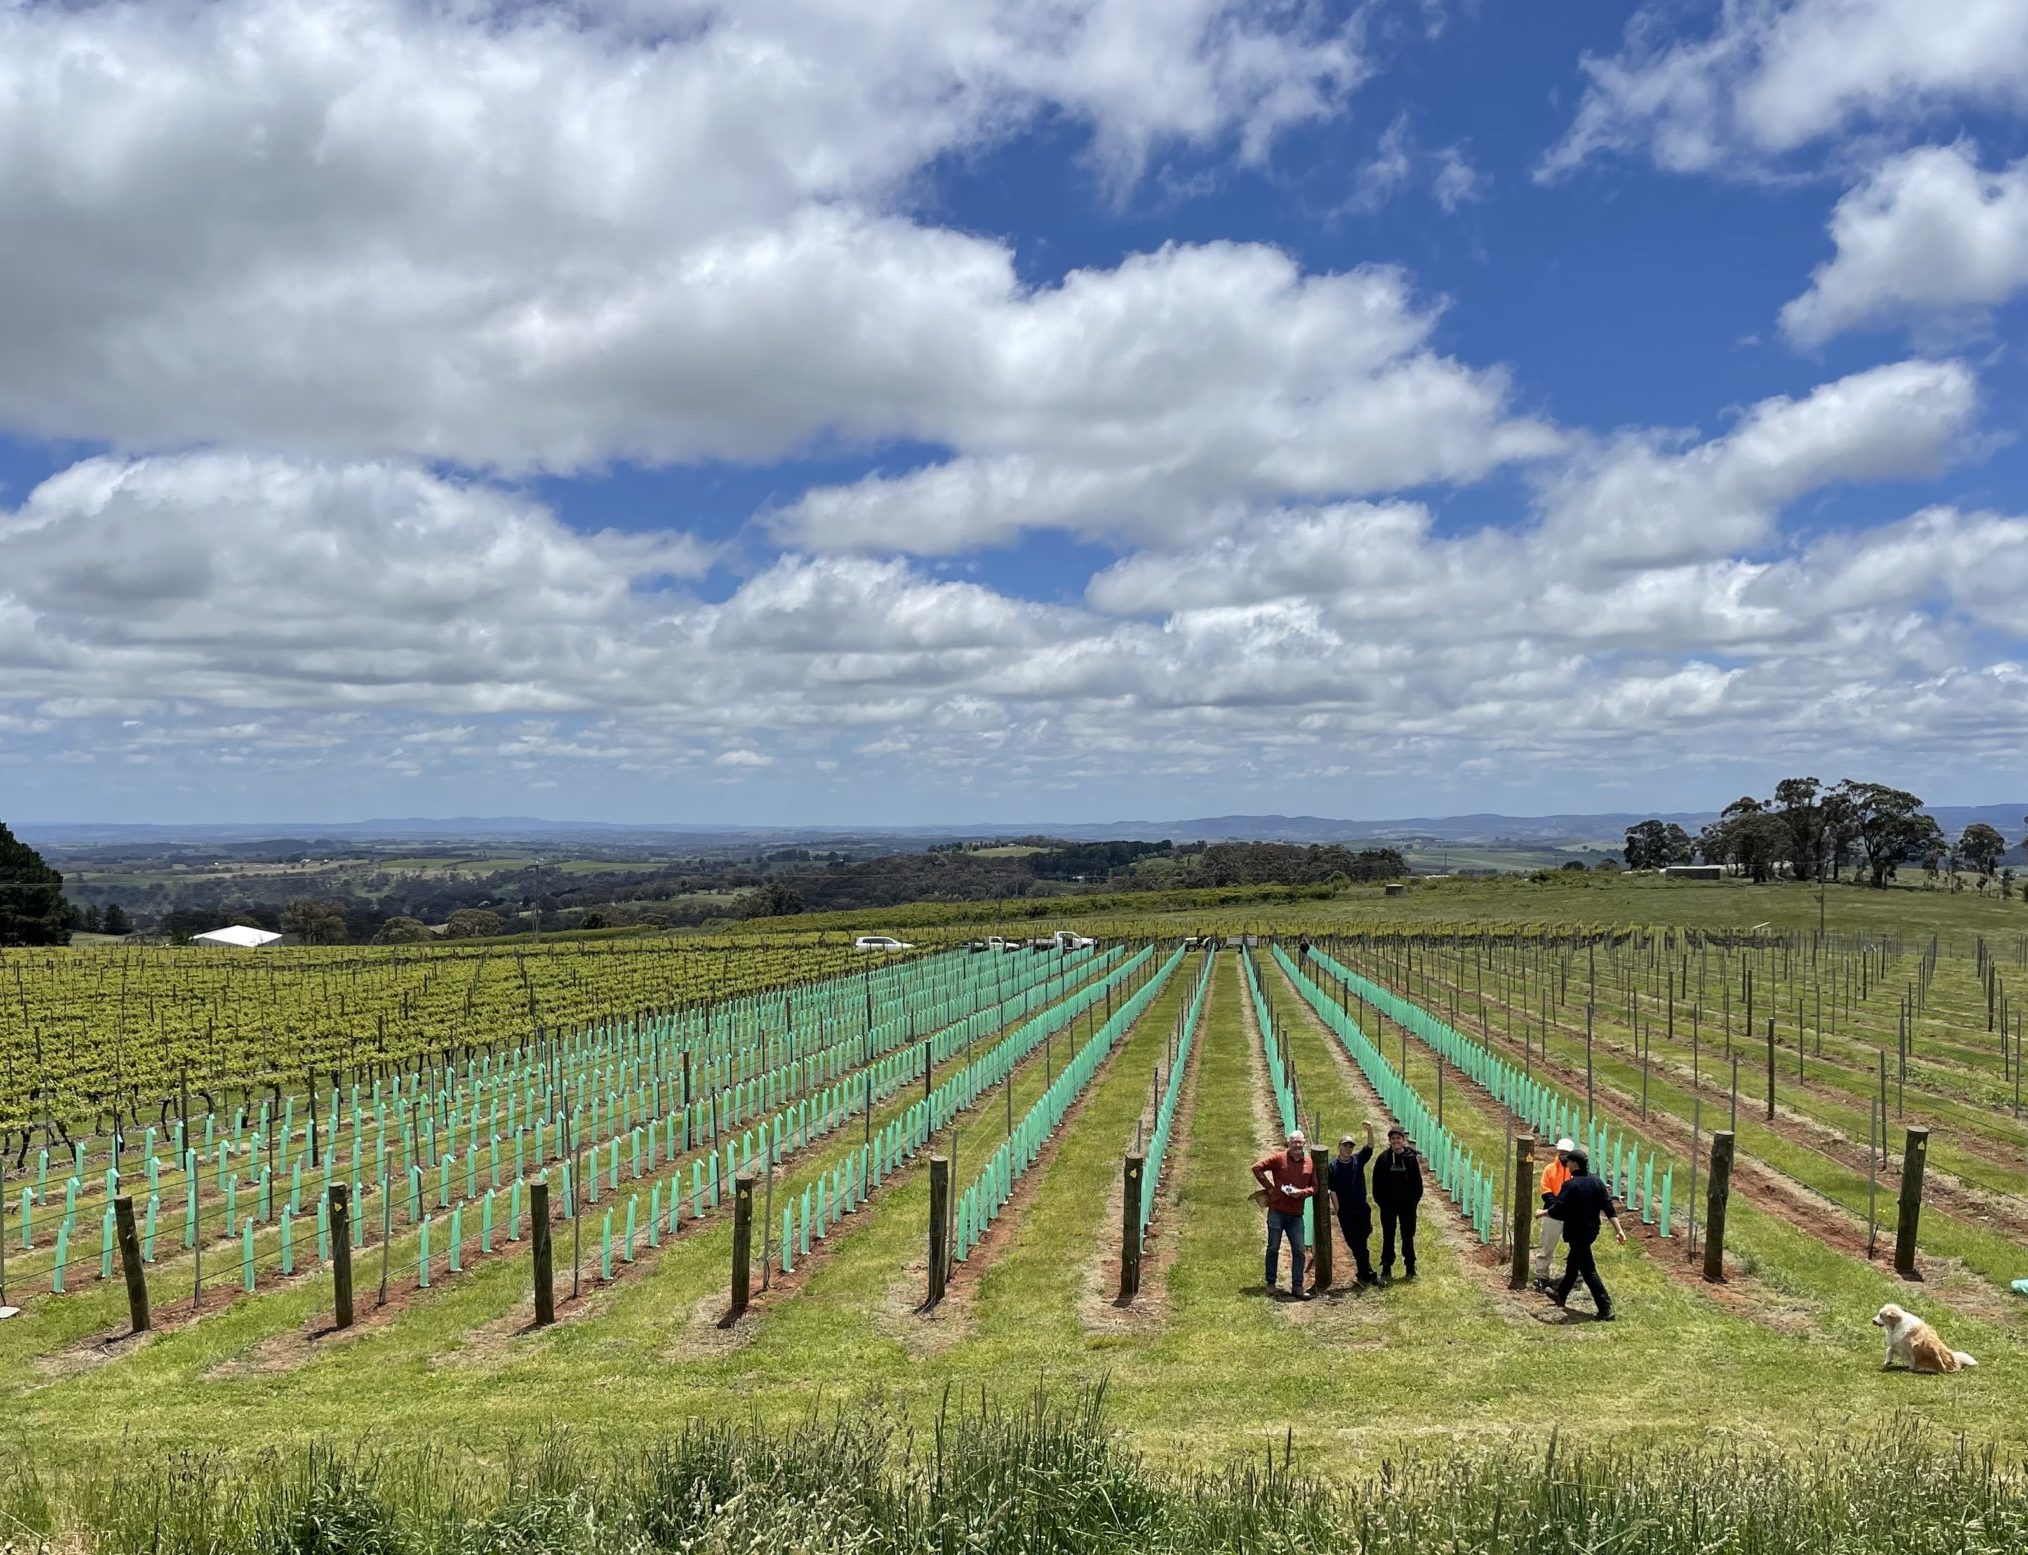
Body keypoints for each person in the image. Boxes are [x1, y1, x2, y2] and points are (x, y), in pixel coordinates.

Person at [1542, 1149, 1626, 1320]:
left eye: (1568, 1161)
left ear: (1574, 1164)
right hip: (1591, 1231)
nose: (1567, 1164)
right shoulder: (1597, 1181)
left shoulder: (1570, 1185)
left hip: (1576, 1233)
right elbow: (1608, 1208)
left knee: (1588, 1271)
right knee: (1574, 1265)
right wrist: (1619, 1230)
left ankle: (1606, 1308)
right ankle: (1561, 1294)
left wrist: (1543, 1212)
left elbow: (1558, 1210)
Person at [1251, 1129, 1316, 1299]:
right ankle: (1271, 1283)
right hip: (1277, 1211)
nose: (1297, 1145)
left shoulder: (1309, 1162)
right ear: (1288, 1143)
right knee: (1273, 1247)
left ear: (1304, 1144)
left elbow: (1314, 1187)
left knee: (1299, 1250)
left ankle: (1297, 1286)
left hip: (1296, 1214)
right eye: (1294, 1141)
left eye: (1300, 1142)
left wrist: (1301, 1193)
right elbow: (1257, 1167)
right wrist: (1270, 1188)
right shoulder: (1279, 1158)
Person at [1370, 1125, 1423, 1282]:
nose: (1396, 1141)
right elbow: (1376, 1183)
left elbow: (1417, 1184)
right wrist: (1381, 1202)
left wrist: (1413, 1202)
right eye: (1393, 1139)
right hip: (1388, 1206)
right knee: (1388, 1235)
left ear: (1403, 1140)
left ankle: (1410, 1268)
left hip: (1407, 1206)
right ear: (1389, 1141)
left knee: (1408, 1236)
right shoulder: (1383, 1159)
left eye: (1398, 1138)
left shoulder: (1411, 1159)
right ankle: (1386, 1267)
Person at [1327, 1126, 1377, 1285]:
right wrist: (1338, 1209)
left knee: (1362, 1241)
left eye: (1350, 1146)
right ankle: (1366, 1273)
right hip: (1346, 1211)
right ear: (1339, 1146)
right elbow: (1332, 1189)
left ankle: (1365, 1274)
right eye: (1345, 1145)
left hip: (1361, 1208)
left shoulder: (1357, 1160)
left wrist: (1370, 1130)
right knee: (1355, 1243)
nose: (1348, 1148)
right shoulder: (1332, 1166)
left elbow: (1369, 1147)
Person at [1531, 1137, 1577, 1290]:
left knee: (1576, 1247)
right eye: (1561, 1152)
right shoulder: (1549, 1169)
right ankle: (1541, 1275)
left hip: (1572, 1215)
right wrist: (1557, 1207)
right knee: (1547, 1246)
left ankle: (1574, 1276)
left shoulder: (1576, 1171)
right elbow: (1545, 1191)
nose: (1563, 1155)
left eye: (1566, 1153)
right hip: (1552, 1213)